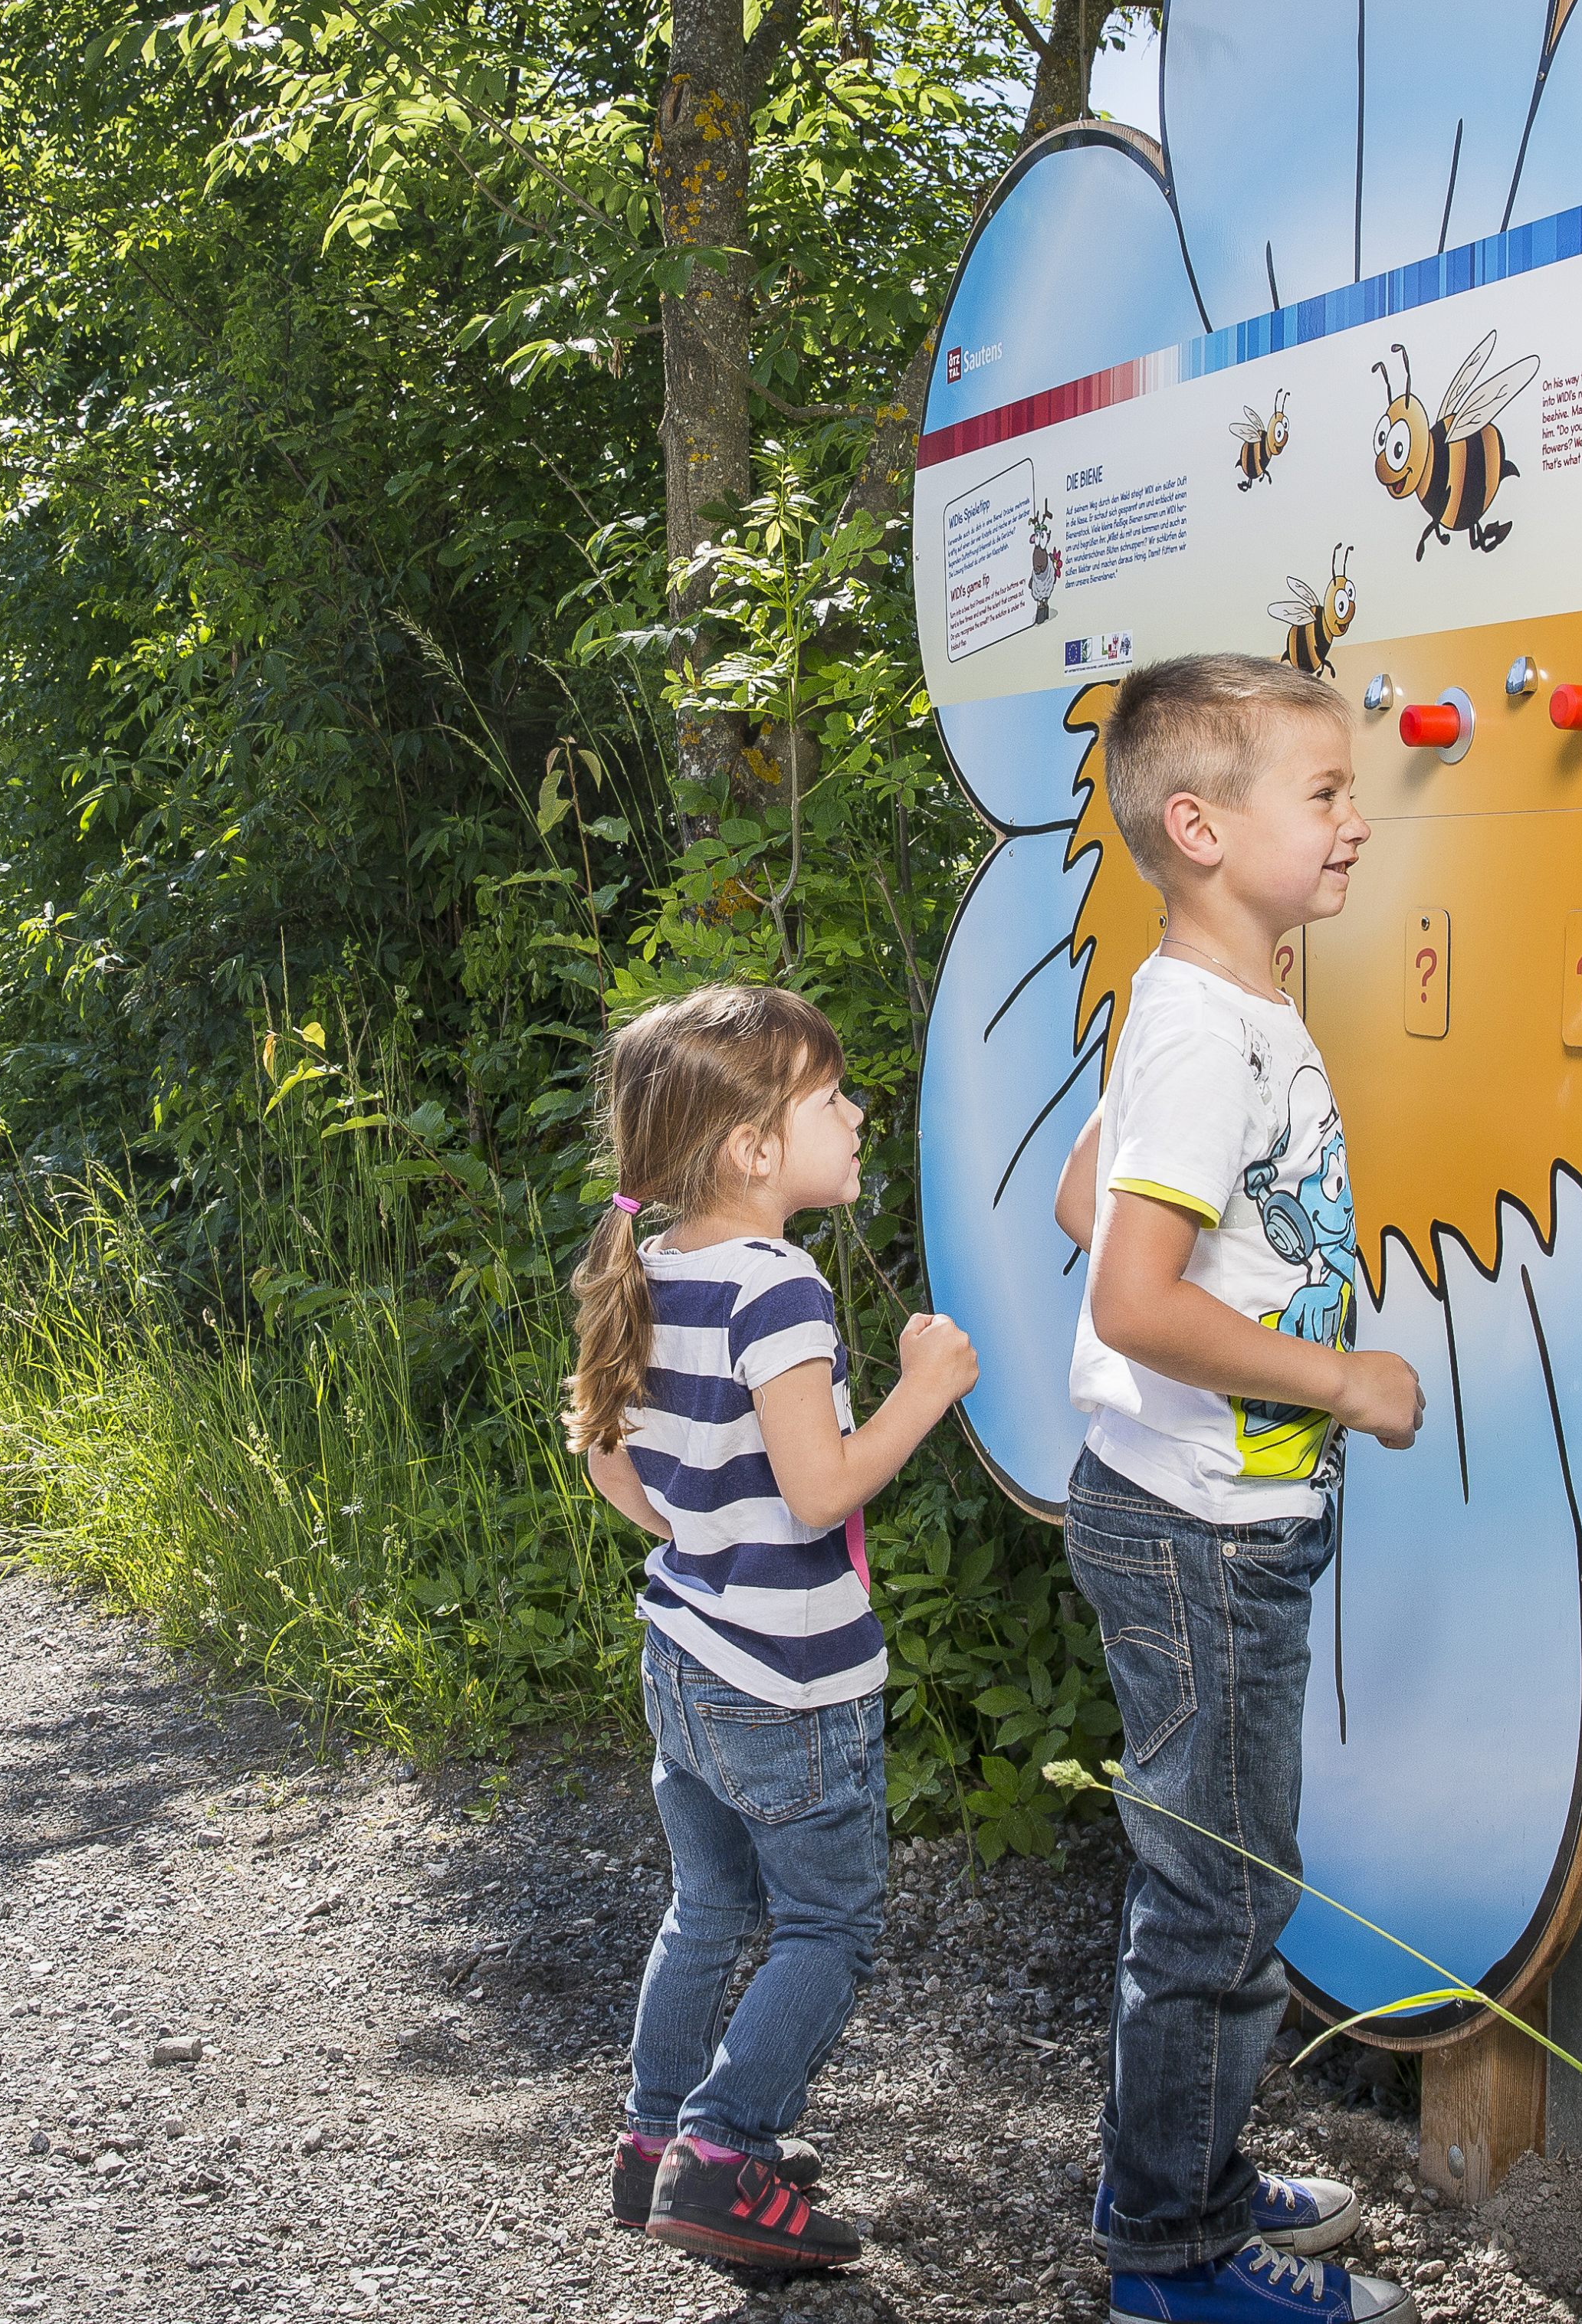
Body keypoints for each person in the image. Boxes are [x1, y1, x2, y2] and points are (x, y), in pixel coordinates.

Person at [1051, 652, 1428, 2324]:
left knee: (1219, 1879)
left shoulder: (1199, 1001)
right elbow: (1131, 1295)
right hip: (1201, 1532)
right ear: (1200, 827)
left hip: (1198, 1512)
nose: (1356, 820)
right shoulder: (1213, 1030)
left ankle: (1180, 2169)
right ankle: (1174, 2255)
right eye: (1325, 791)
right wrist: (1343, 1378)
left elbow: (1089, 1200)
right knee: (1220, 1895)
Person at [566, 983, 980, 2272]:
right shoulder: (777, 1287)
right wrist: (925, 1389)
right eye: (831, 1098)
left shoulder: (654, 1266)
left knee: (707, 1901)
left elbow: (607, 1458)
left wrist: (698, 1533)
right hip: (789, 1681)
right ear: (753, 1148)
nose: (856, 1115)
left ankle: (653, 2139)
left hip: (685, 1656)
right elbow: (821, 1488)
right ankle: (725, 2148)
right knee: (828, 1923)